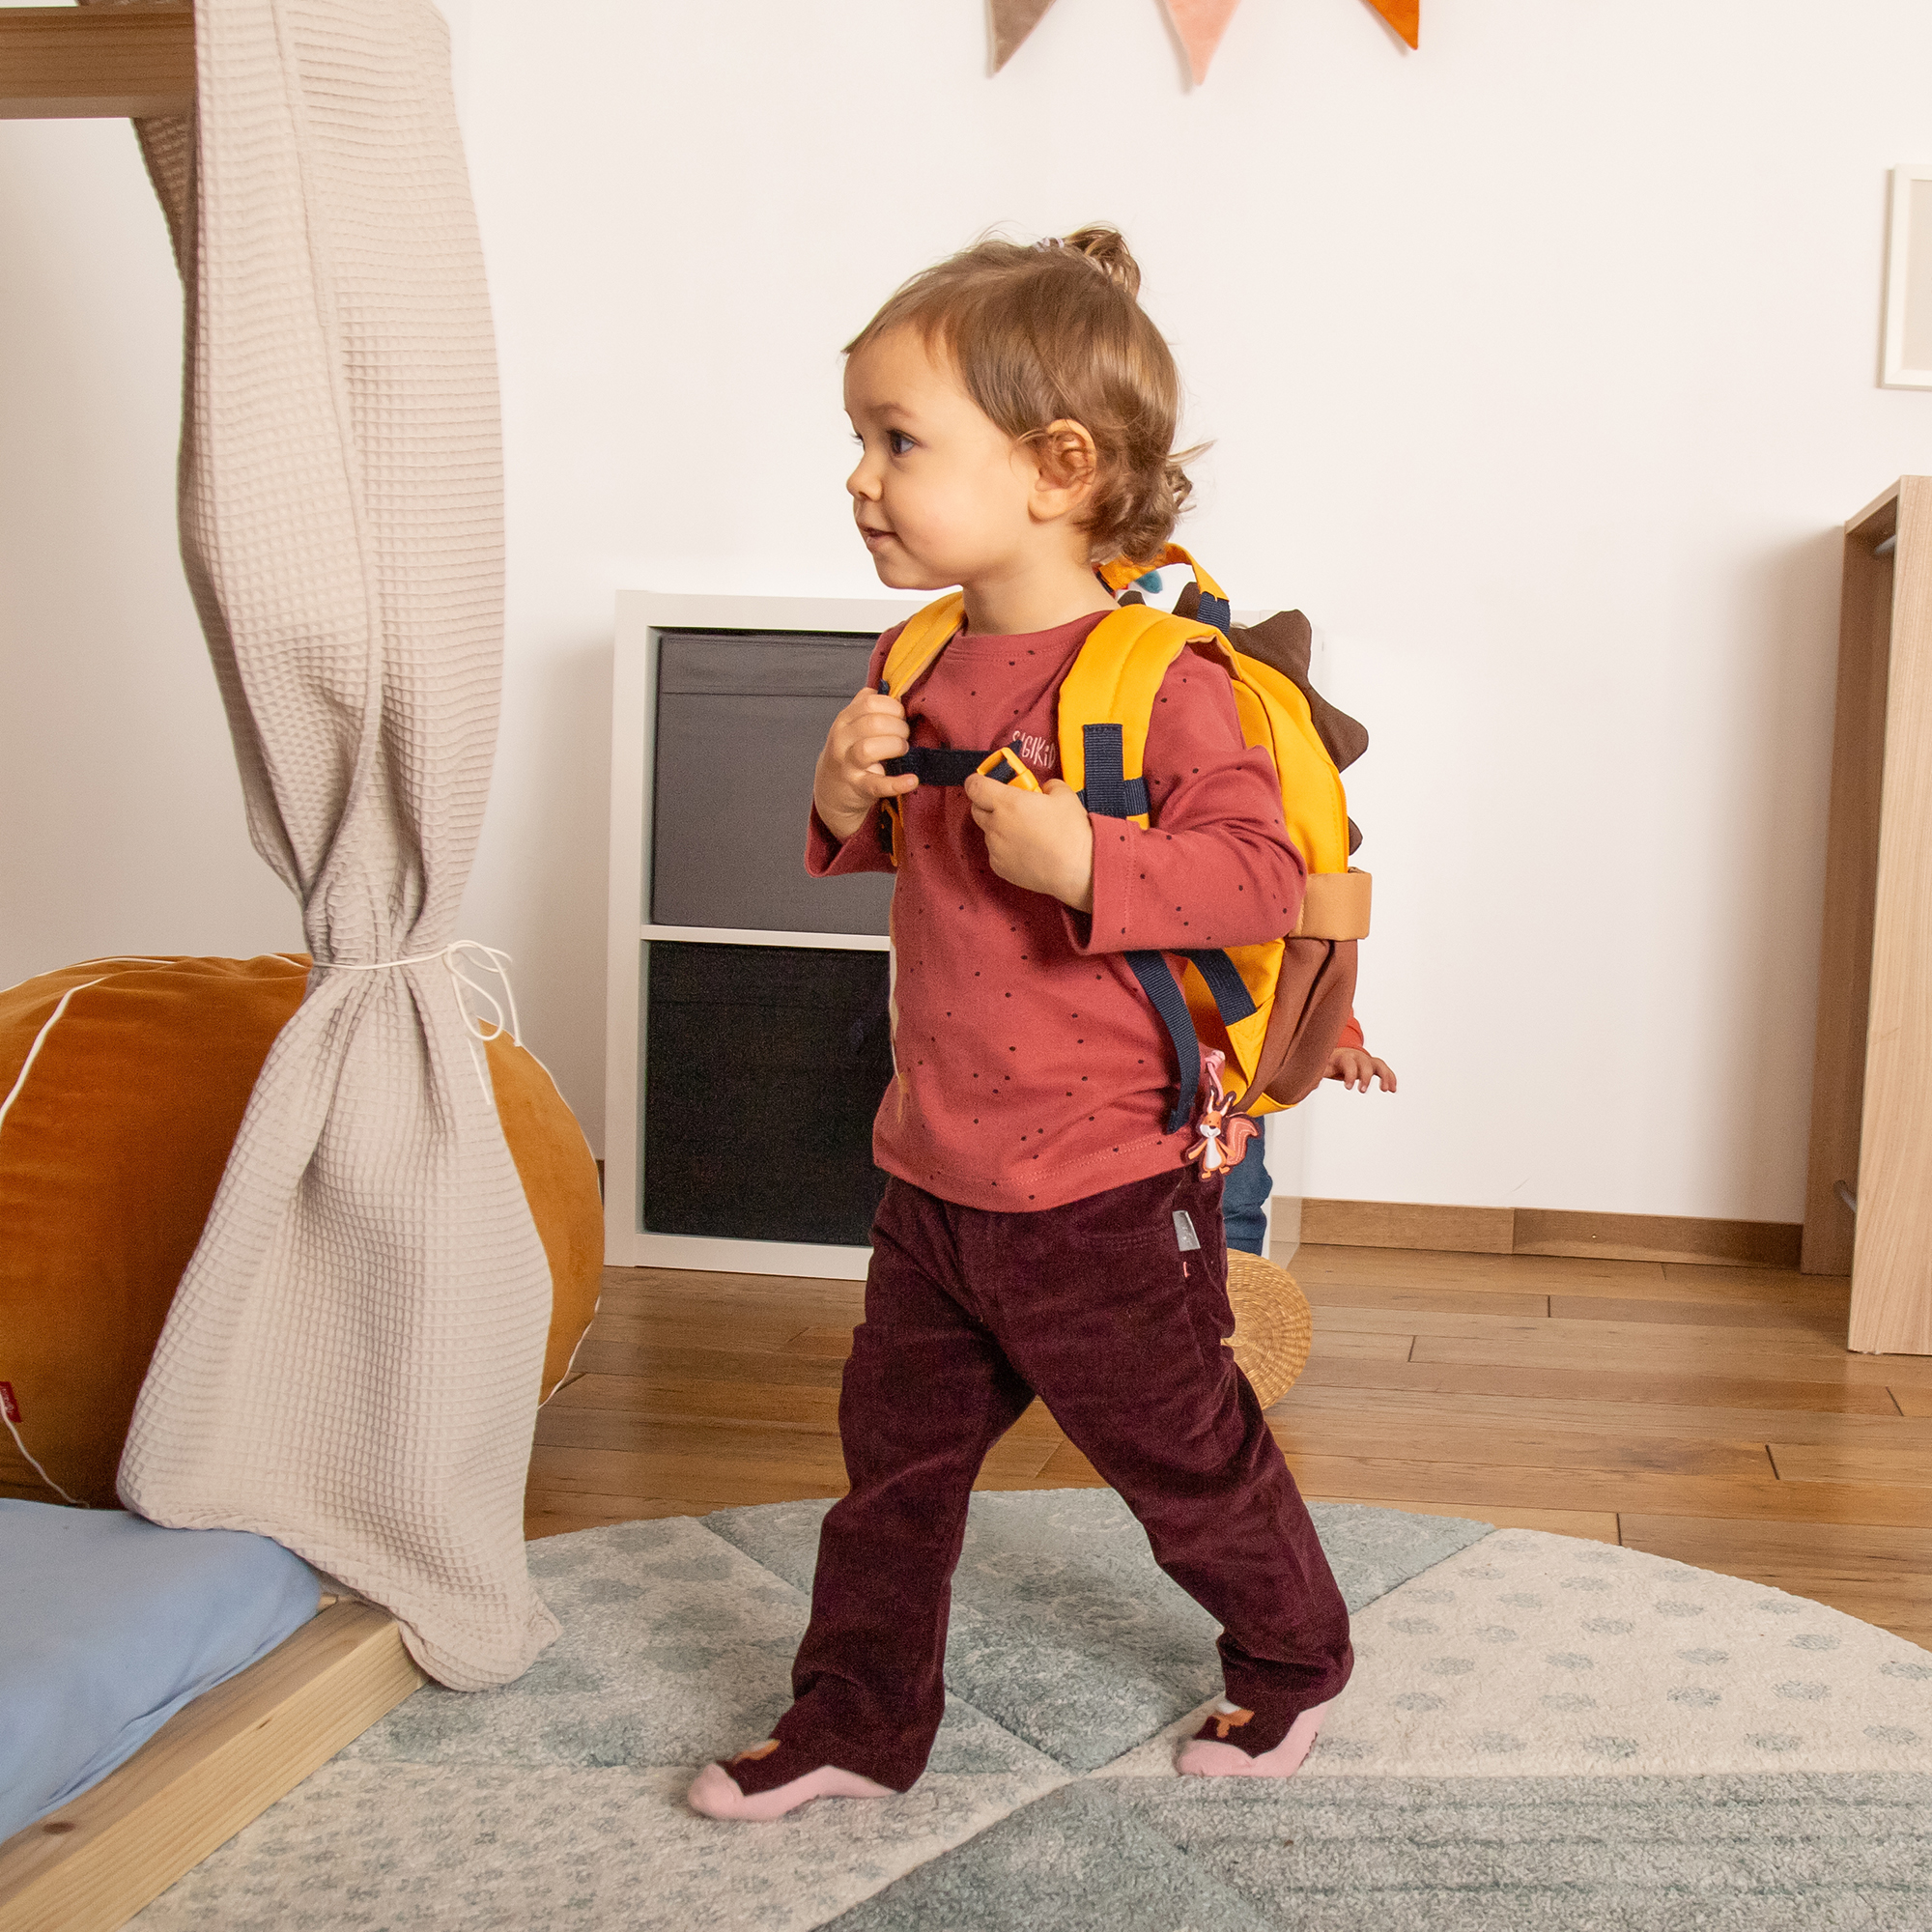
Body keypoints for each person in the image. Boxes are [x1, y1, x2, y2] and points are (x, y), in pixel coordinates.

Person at [689, 228, 1358, 1823]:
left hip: (1108, 1192)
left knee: (1185, 1461)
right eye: (858, 435)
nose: (859, 476)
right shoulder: (919, 653)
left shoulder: (1164, 680)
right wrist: (839, 791)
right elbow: (898, 857)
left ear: (1056, 467)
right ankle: (855, 1724)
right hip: (935, 1175)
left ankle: (1293, 1657)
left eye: (898, 440)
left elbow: (1262, 878)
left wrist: (1091, 858)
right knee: (890, 1488)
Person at [1222, 1021, 1398, 1256]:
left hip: (1233, 1080)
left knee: (1234, 1204)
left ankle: (1238, 1289)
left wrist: (1338, 1040)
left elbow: (1322, 987)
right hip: (1174, 1061)